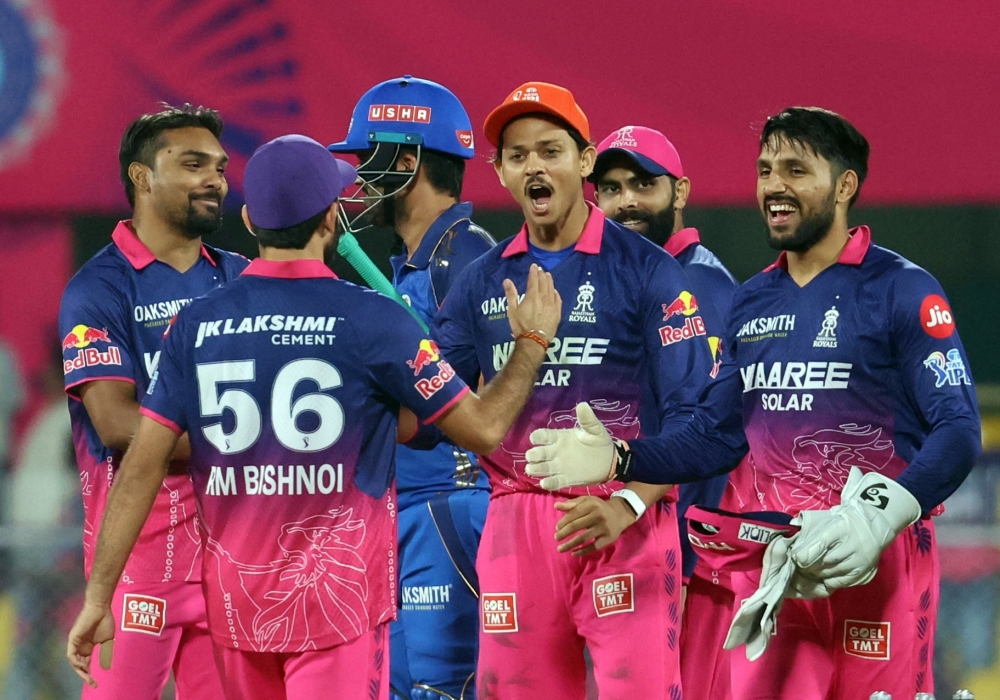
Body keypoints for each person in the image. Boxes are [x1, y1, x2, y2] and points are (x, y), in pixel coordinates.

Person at [66, 134, 562, 700]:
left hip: (237, 611)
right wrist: (530, 341)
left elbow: (139, 466)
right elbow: (484, 428)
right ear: (330, 218)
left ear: (250, 221)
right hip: (339, 610)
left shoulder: (196, 325)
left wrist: (100, 598)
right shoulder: (375, 321)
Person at [525, 106, 982, 699]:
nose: (774, 186)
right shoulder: (753, 302)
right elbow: (715, 437)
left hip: (876, 560)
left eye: (795, 170)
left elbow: (958, 428)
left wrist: (881, 515)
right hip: (776, 571)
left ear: (845, 185)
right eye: (766, 170)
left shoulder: (903, 289)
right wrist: (621, 457)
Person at [432, 82, 714, 699]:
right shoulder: (480, 283)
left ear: (584, 162)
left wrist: (628, 504)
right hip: (513, 526)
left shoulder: (650, 273)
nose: (534, 165)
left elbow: (696, 423)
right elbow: (441, 412)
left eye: (550, 150)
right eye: (517, 154)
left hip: (624, 522)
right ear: (501, 172)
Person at [58, 104, 248, 699]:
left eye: (218, 166)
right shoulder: (98, 289)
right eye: (193, 164)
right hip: (140, 559)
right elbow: (117, 426)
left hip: (235, 551)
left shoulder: (243, 280)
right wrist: (251, 438)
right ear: (142, 178)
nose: (214, 179)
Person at [329, 76, 495, 700]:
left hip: (450, 504)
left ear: (407, 161)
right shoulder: (417, 261)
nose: (356, 180)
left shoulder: (468, 257)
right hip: (406, 509)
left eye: (365, 159)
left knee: (438, 691)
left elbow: (476, 395)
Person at [591, 124, 739, 700]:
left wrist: (673, 554)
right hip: (648, 543)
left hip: (691, 558)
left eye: (643, 183)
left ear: (679, 192)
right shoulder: (632, 282)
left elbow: (706, 434)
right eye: (611, 187)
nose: (626, 200)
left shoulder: (694, 284)